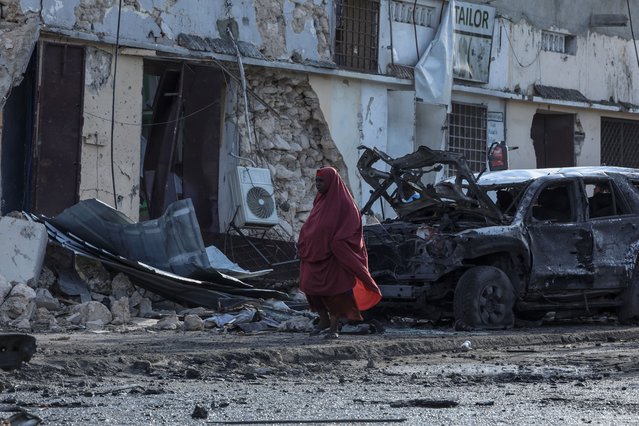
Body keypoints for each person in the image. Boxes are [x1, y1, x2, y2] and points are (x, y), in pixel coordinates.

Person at [297, 167, 382, 339]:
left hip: (334, 258)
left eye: (321, 181)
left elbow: (352, 230)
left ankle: (334, 328)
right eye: (316, 181)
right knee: (309, 286)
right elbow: (313, 224)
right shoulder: (320, 200)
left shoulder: (345, 203)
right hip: (314, 255)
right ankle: (323, 320)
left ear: (331, 181)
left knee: (335, 293)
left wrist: (336, 243)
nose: (318, 185)